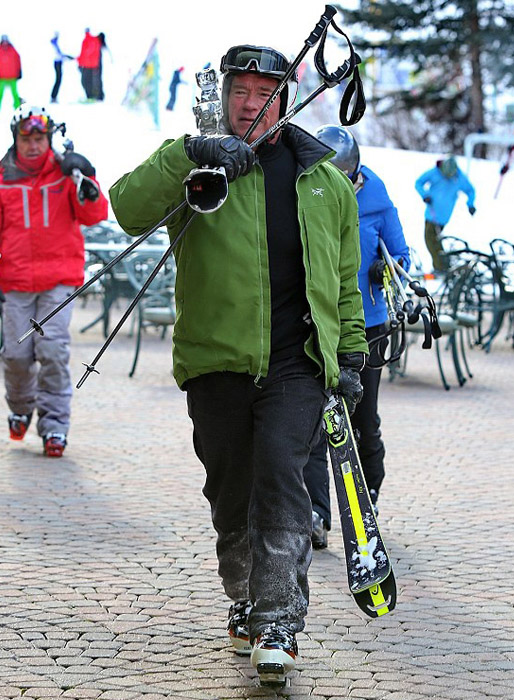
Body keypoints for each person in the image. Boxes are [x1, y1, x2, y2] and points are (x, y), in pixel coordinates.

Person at [109, 44, 368, 686]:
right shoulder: (200, 173)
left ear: (284, 100)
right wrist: (188, 152)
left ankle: (278, 618)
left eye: (264, 94)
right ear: (224, 97)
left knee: (283, 477)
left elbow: (343, 281)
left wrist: (353, 353)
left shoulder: (324, 181)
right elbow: (125, 208)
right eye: (240, 93)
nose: (250, 105)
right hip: (217, 362)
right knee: (231, 493)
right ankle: (246, 593)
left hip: (297, 363)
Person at [0, 105, 108, 457]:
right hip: (15, 284)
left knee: (52, 352)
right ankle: (20, 407)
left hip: (58, 282)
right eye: (26, 139)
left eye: (40, 138)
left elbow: (95, 213)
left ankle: (54, 426)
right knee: (16, 355)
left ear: (49, 139)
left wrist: (87, 180)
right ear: (16, 140)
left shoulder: (66, 177)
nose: (33, 145)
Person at [306, 125, 410, 549]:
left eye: (345, 179)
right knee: (312, 422)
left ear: (356, 174)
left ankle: (368, 506)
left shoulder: (376, 197)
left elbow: (400, 255)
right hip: (316, 324)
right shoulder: (306, 192)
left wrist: (380, 270)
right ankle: (316, 513)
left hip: (367, 325)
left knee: (363, 421)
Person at [414, 156, 476, 272]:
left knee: (433, 240)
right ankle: (442, 266)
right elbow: (418, 182)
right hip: (431, 214)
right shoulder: (435, 172)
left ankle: (442, 267)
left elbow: (470, 190)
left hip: (444, 216)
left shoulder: (459, 177)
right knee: (431, 239)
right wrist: (425, 195)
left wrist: (470, 204)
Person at [0, 35, 22, 119]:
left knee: (15, 95)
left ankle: (19, 111)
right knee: (0, 95)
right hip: (2, 78)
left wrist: (19, 72)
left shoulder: (13, 51)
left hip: (12, 77)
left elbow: (18, 61)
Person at [77, 28, 101, 100]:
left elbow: (85, 53)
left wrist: (80, 61)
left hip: (88, 65)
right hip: (91, 65)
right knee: (89, 81)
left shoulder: (88, 40)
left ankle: (90, 96)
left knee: (85, 81)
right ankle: (90, 96)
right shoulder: (94, 40)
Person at [50, 31, 74, 103]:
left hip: (58, 62)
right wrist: (67, 57)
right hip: (57, 63)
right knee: (58, 80)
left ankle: (54, 96)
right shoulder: (54, 43)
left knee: (58, 80)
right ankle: (53, 97)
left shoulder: (55, 43)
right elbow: (59, 54)